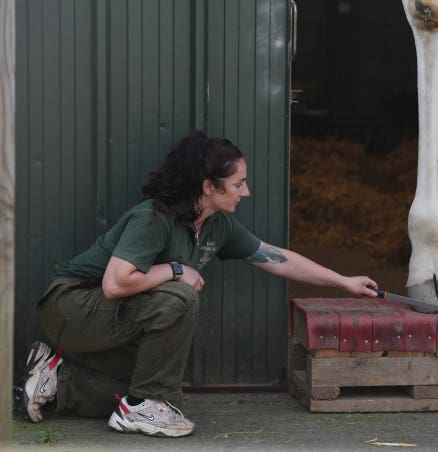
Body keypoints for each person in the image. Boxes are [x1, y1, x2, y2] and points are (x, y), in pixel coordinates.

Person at [18, 131, 378, 438]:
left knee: (160, 383)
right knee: (179, 296)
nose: (246, 192)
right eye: (238, 183)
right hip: (71, 306)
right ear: (208, 186)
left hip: (105, 319)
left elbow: (274, 257)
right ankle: (144, 407)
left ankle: (59, 379)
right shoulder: (154, 217)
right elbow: (115, 284)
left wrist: (343, 282)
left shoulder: (216, 224)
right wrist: (175, 269)